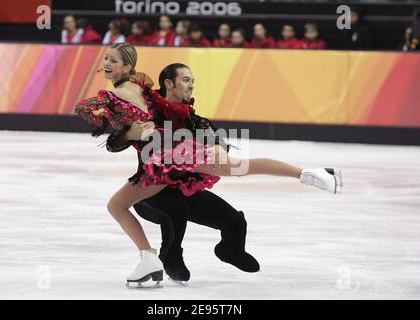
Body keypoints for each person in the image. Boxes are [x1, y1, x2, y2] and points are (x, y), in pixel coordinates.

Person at [76, 52, 343, 285]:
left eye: (193, 80)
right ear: (169, 83)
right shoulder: (151, 107)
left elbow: (212, 138)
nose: (191, 85)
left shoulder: (192, 119)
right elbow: (115, 141)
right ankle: (161, 258)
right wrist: (131, 133)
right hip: (156, 189)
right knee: (162, 206)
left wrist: (216, 148)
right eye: (186, 79)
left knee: (236, 176)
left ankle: (307, 176)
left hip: (176, 172)